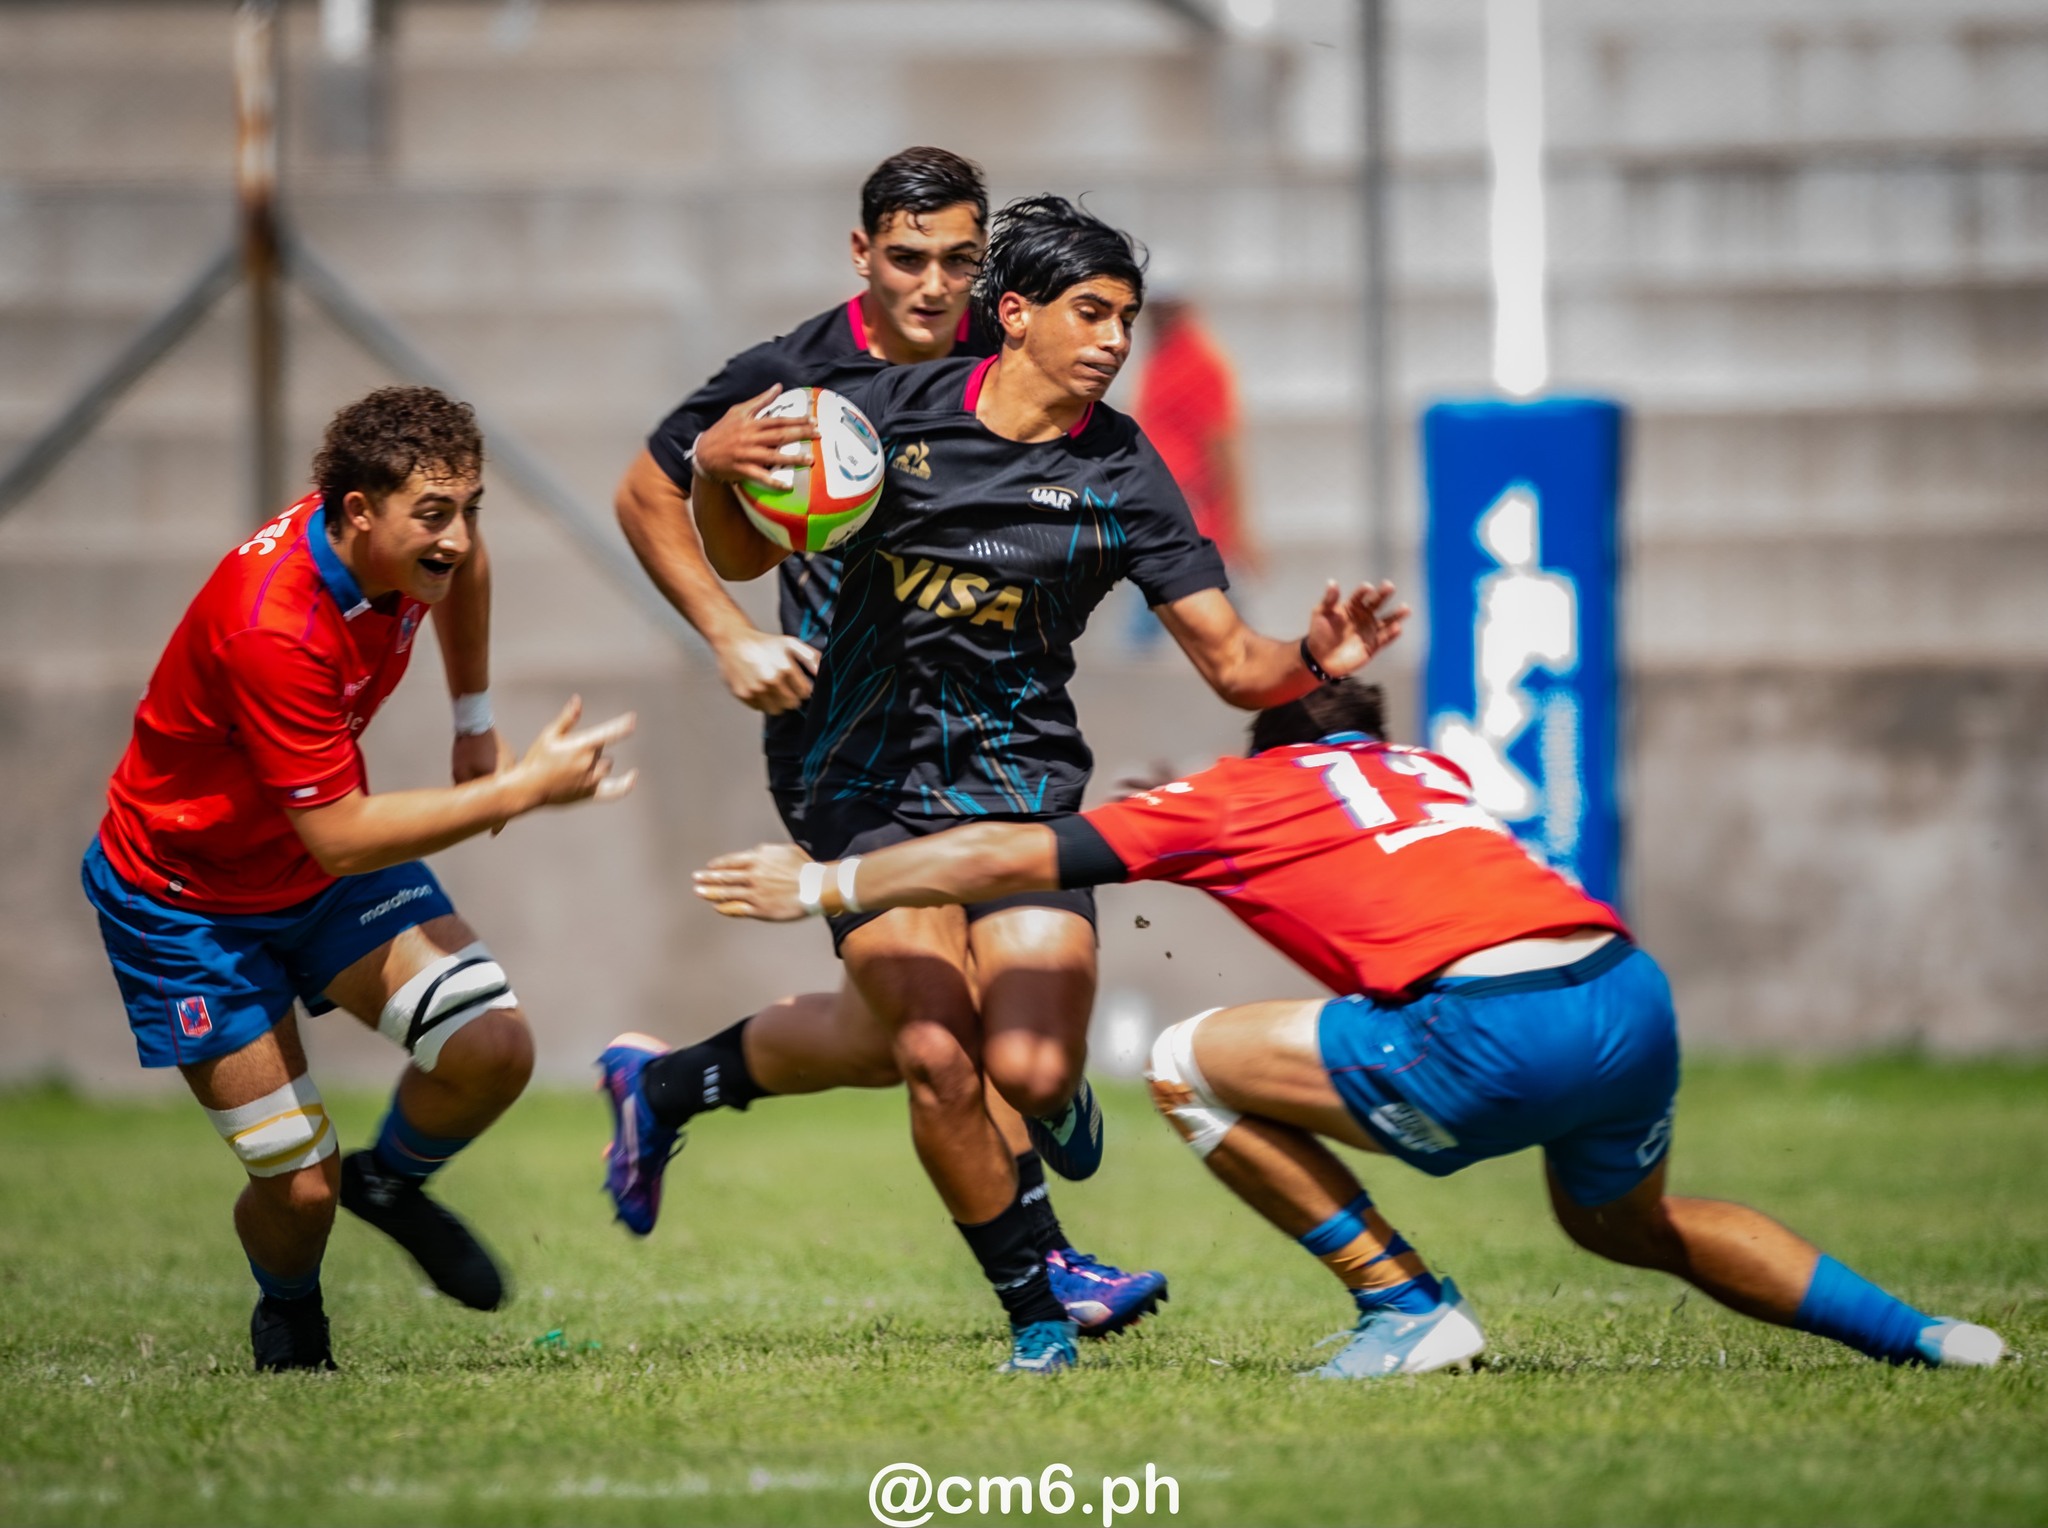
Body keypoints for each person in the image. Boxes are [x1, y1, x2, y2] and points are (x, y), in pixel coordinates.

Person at [693, 675, 2007, 1379]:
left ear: (1263, 737)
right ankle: (1928, 1338)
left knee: (1178, 1065)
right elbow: (1344, 795)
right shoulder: (1426, 771)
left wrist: (824, 885)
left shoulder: (1234, 793)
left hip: (1492, 1028)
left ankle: (1406, 1306)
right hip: (1627, 993)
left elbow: (1002, 854)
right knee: (1629, 1224)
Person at [680, 192, 1405, 1374]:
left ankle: (1053, 1101)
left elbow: (1233, 665)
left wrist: (1316, 655)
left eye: (1123, 316)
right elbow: (749, 549)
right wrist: (714, 470)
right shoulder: (882, 419)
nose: (1115, 339)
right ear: (1012, 317)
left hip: (1020, 789)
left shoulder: (1123, 469)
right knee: (930, 1048)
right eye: (1090, 313)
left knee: (1027, 1067)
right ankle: (1032, 1309)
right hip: (865, 782)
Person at [605, 148, 1169, 1340]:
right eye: (905, 258)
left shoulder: (1006, 361)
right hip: (846, 746)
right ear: (858, 253)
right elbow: (646, 493)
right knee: (930, 1037)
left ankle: (660, 1085)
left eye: (957, 260)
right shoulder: (794, 378)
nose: (931, 284)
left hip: (999, 749)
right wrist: (726, 635)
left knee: (902, 1033)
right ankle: (1046, 1272)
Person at [80, 387, 637, 1372]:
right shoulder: (274, 626)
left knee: (492, 1050)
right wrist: (521, 788)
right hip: (187, 899)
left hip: (306, 866)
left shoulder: (412, 550)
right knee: (300, 1187)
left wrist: (474, 722)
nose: (457, 538)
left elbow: (467, 568)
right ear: (354, 514)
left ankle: (392, 1184)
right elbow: (341, 835)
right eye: (434, 514)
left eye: (469, 507)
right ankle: (291, 1313)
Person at [1127, 287, 1258, 649]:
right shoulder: (1160, 359)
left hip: (1190, 507)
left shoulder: (1200, 363)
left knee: (1157, 607)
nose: (1158, 317)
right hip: (1161, 503)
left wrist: (1238, 524)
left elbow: (1222, 447)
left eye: (1167, 309)